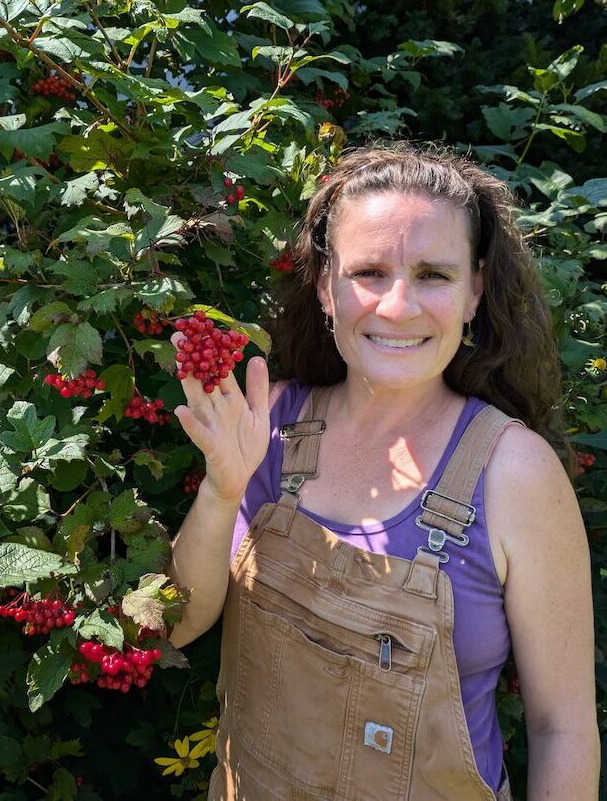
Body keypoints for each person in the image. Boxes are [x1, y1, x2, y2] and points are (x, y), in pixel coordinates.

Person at [167, 144, 599, 800]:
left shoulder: (514, 474)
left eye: (432, 275)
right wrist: (222, 492)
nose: (397, 306)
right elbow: (178, 624)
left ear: (473, 292)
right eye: (369, 272)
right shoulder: (268, 425)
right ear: (325, 288)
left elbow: (560, 728)